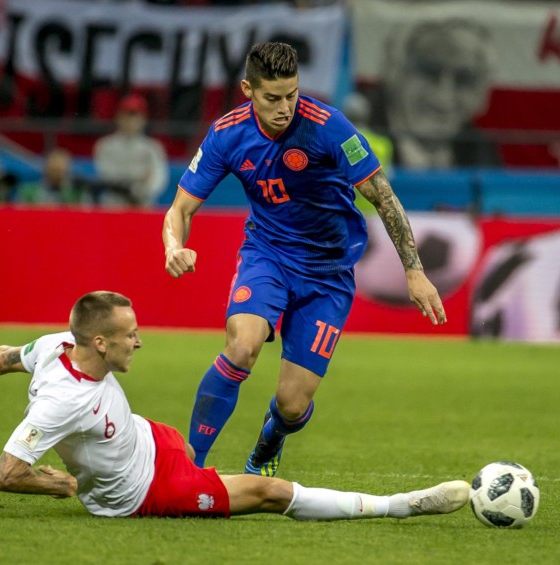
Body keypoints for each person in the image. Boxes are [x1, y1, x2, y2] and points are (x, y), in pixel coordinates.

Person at [163, 42, 446, 476]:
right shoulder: (226, 134)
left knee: (293, 406)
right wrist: (173, 246)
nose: (284, 107)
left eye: (291, 95)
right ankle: (188, 468)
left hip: (329, 274)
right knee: (242, 346)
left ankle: (268, 441)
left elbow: (384, 197)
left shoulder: (330, 127)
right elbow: (180, 208)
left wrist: (415, 271)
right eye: (272, 98)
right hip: (268, 255)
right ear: (247, 90)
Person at [0, 290, 470, 520]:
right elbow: (6, 473)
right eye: (130, 335)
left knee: (199, 447)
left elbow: (11, 359)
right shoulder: (61, 404)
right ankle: (401, 505)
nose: (140, 342)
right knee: (267, 492)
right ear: (101, 344)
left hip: (150, 440)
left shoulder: (54, 345)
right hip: (144, 491)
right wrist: (58, 484)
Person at [380, 18, 500, 169]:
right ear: (395, 73)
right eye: (430, 72)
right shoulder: (355, 136)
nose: (444, 97)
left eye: (463, 79)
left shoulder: (479, 150)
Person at [93, 93, 169, 207]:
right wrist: (138, 178)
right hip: (113, 204)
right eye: (127, 115)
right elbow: (107, 176)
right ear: (118, 117)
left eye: (135, 115)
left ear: (143, 119)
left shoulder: (153, 147)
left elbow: (158, 180)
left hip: (143, 204)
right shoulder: (105, 146)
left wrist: (139, 190)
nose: (131, 120)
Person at [14, 148, 90, 205]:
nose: (57, 174)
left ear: (67, 169)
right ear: (46, 168)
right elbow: (17, 215)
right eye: (54, 169)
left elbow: (86, 216)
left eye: (60, 170)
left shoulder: (77, 193)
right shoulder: (28, 191)